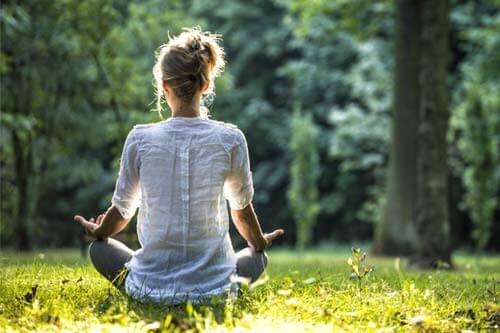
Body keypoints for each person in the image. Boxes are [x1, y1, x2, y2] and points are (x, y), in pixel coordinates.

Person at [73, 27, 284, 304]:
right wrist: (259, 242)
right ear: (206, 86)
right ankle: (213, 286)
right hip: (215, 290)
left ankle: (148, 290)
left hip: (150, 287)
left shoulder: (140, 138)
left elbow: (123, 211)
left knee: (99, 250)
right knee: (258, 257)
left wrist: (99, 231)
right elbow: (242, 211)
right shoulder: (231, 138)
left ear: (164, 86)